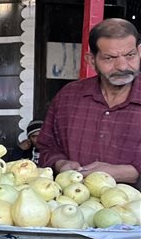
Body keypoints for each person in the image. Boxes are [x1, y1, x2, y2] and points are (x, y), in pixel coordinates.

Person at [37, 18, 141, 185]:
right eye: (109, 58)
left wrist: (128, 173)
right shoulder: (68, 97)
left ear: (139, 51)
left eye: (130, 55)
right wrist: (60, 163)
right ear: (91, 60)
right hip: (74, 205)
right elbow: (46, 147)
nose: (122, 66)